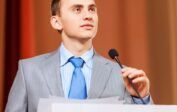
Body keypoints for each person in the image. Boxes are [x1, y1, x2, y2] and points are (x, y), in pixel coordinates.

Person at [5, 0, 153, 111]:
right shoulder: (29, 70)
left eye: (92, 9)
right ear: (57, 22)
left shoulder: (122, 75)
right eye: (77, 9)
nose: (88, 15)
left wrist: (142, 99)